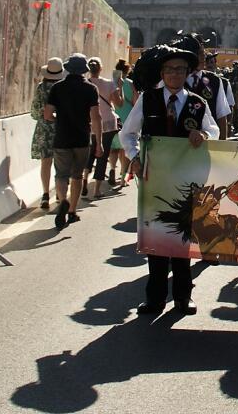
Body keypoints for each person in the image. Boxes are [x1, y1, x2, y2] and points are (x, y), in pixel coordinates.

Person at [120, 45, 219, 316]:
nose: (175, 74)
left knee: (184, 238)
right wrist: (134, 156)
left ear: (188, 73)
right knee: (157, 238)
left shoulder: (198, 102)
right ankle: (155, 298)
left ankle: (183, 298)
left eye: (180, 69)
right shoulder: (148, 99)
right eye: (170, 69)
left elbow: (214, 129)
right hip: (155, 179)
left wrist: (203, 134)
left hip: (187, 180)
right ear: (162, 72)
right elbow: (127, 133)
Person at [43, 54, 101, 230]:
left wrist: (58, 119)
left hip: (62, 137)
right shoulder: (90, 89)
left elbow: (47, 114)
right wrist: (99, 142)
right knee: (77, 176)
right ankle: (73, 211)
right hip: (82, 138)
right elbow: (96, 117)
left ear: (67, 68)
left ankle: (63, 201)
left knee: (61, 174)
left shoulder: (57, 88)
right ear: (84, 70)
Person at [85, 56, 123, 200]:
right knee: (102, 156)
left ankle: (83, 183)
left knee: (89, 155)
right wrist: (119, 87)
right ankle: (96, 190)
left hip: (88, 123)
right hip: (107, 123)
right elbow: (119, 104)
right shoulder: (109, 84)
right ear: (101, 69)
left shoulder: (86, 83)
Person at [29, 58, 65, 210]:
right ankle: (59, 192)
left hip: (44, 128)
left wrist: (43, 116)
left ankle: (45, 194)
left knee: (45, 162)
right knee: (60, 162)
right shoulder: (63, 88)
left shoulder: (40, 88)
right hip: (60, 128)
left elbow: (34, 111)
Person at [111, 60, 136, 185]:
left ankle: (111, 169)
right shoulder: (130, 84)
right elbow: (134, 101)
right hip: (127, 116)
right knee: (125, 148)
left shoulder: (111, 83)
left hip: (114, 116)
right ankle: (122, 177)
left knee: (114, 147)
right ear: (127, 71)